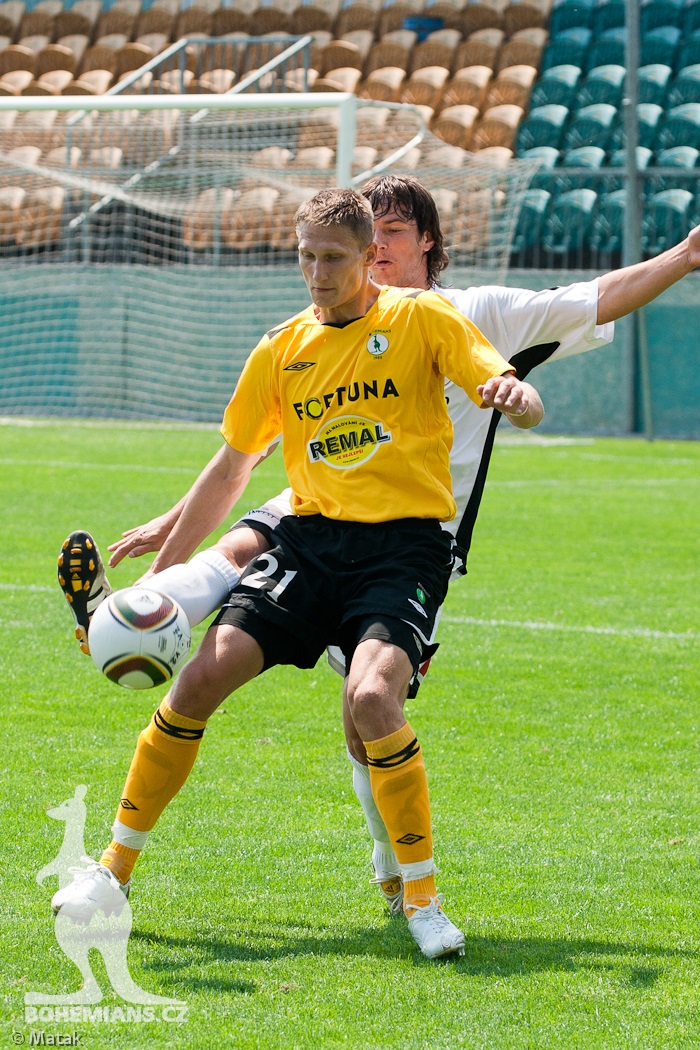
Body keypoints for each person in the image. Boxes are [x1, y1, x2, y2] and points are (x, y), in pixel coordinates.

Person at [59, 173, 700, 919]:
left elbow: (597, 296)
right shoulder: (312, 331)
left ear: (423, 241)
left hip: (413, 536)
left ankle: (392, 864)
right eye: (363, 233)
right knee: (236, 555)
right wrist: (171, 532)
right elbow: (244, 456)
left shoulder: (477, 312)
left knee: (366, 707)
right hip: (318, 509)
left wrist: (684, 257)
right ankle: (126, 618)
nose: (375, 247)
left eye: (390, 231)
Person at [53, 187, 539, 960]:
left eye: (334, 259)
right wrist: (162, 572)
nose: (317, 273)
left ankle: (422, 899)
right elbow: (230, 470)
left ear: (367, 260)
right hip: (310, 545)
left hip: (404, 548)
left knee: (373, 696)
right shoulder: (281, 347)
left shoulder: (421, 318)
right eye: (306, 257)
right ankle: (113, 871)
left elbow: (501, 380)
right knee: (197, 683)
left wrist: (516, 394)